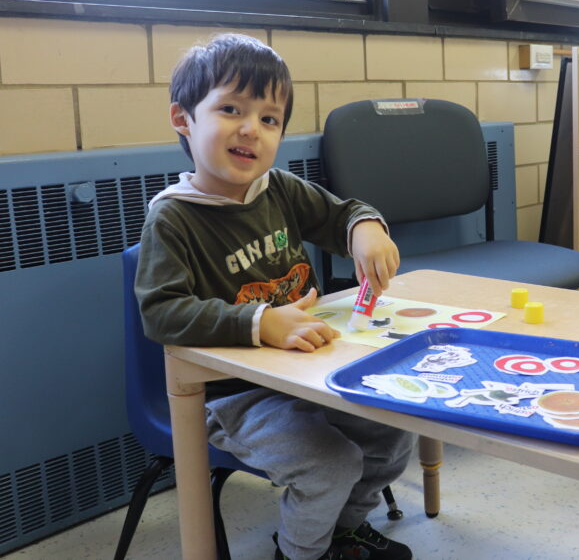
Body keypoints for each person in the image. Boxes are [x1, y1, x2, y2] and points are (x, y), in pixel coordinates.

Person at [134, 33, 414, 560]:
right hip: (232, 394)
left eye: (269, 118)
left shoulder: (278, 188)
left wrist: (366, 228)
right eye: (231, 109)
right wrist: (261, 322)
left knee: (393, 432)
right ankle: (301, 552)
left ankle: (342, 532)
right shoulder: (173, 217)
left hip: (306, 373)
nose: (251, 129)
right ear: (182, 119)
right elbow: (161, 312)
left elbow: (342, 214)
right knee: (328, 464)